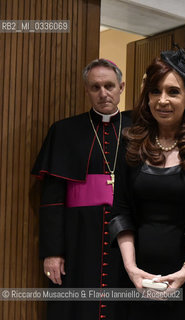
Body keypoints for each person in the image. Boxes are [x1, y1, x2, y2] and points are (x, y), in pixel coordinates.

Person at [109, 49, 185, 319]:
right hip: (136, 275)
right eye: (154, 91)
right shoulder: (130, 142)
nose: (162, 100)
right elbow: (120, 212)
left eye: (173, 92)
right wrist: (131, 267)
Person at [31, 59, 131, 320]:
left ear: (121, 87)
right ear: (86, 90)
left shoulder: (139, 129)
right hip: (79, 235)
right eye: (95, 87)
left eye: (109, 86)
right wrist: (53, 252)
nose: (103, 93)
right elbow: (52, 199)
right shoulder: (64, 131)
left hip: (128, 233)